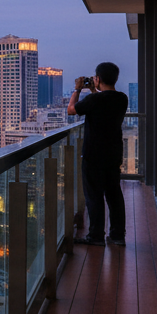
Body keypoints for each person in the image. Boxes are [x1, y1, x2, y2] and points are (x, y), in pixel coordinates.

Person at [67, 62, 129, 246]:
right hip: (113, 154)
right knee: (114, 194)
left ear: (98, 78)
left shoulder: (94, 100)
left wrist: (77, 89)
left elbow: (71, 110)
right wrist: (95, 90)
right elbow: (103, 102)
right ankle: (118, 235)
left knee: (94, 196)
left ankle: (96, 236)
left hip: (93, 155)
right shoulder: (122, 99)